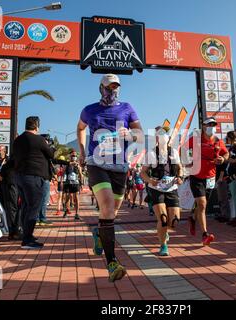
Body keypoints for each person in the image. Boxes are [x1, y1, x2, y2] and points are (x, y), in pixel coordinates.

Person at [77, 74, 143, 282]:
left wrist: (130, 136)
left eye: (116, 87)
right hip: (96, 163)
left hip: (120, 166)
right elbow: (80, 128)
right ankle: (112, 262)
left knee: (111, 213)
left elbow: (140, 134)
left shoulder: (127, 108)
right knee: (106, 207)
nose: (112, 91)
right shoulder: (89, 110)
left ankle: (99, 232)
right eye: (108, 87)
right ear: (101, 88)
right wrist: (81, 151)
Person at [185, 117, 229, 246]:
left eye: (214, 124)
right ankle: (205, 235)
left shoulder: (217, 141)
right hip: (196, 176)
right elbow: (182, 149)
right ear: (203, 126)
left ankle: (192, 218)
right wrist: (188, 162)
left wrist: (222, 159)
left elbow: (226, 154)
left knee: (202, 205)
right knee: (202, 204)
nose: (212, 127)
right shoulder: (196, 139)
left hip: (210, 177)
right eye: (210, 124)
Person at [13, 116, 55, 249]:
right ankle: (27, 240)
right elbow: (51, 154)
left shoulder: (18, 140)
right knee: (34, 207)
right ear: (37, 126)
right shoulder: (39, 139)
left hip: (20, 176)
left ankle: (27, 235)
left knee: (26, 206)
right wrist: (51, 147)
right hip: (34, 177)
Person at [141, 126, 184, 256]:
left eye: (165, 133)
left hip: (171, 188)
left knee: (175, 221)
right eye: (160, 134)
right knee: (163, 219)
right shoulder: (151, 153)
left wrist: (180, 177)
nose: (163, 136)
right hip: (156, 188)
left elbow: (180, 168)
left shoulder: (174, 152)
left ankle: (164, 233)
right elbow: (142, 173)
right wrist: (150, 181)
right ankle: (163, 245)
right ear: (157, 138)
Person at [0, 154, 22, 241]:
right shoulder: (15, 160)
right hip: (11, 184)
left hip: (15, 184)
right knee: (12, 208)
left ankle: (15, 231)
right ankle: (14, 232)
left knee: (16, 208)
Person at [62, 149, 83, 220]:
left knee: (76, 198)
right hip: (68, 183)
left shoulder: (78, 165)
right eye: (72, 156)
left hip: (76, 183)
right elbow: (63, 173)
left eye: (75, 156)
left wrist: (81, 183)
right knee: (67, 197)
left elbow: (81, 175)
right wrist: (62, 182)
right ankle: (66, 211)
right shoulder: (67, 164)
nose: (74, 157)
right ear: (70, 156)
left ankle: (77, 214)